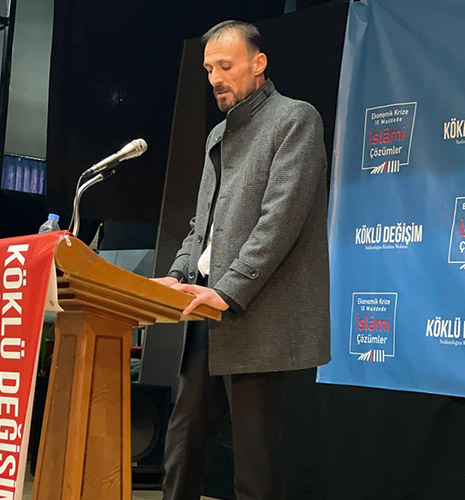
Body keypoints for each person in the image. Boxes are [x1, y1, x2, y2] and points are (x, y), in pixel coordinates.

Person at [152, 20, 330, 500]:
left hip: (257, 313)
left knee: (255, 463)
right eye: (209, 69)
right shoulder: (218, 133)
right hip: (204, 311)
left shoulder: (295, 119)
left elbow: (280, 222)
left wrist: (227, 290)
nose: (215, 78)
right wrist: (177, 274)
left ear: (258, 64)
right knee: (182, 447)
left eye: (225, 66)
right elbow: (202, 225)